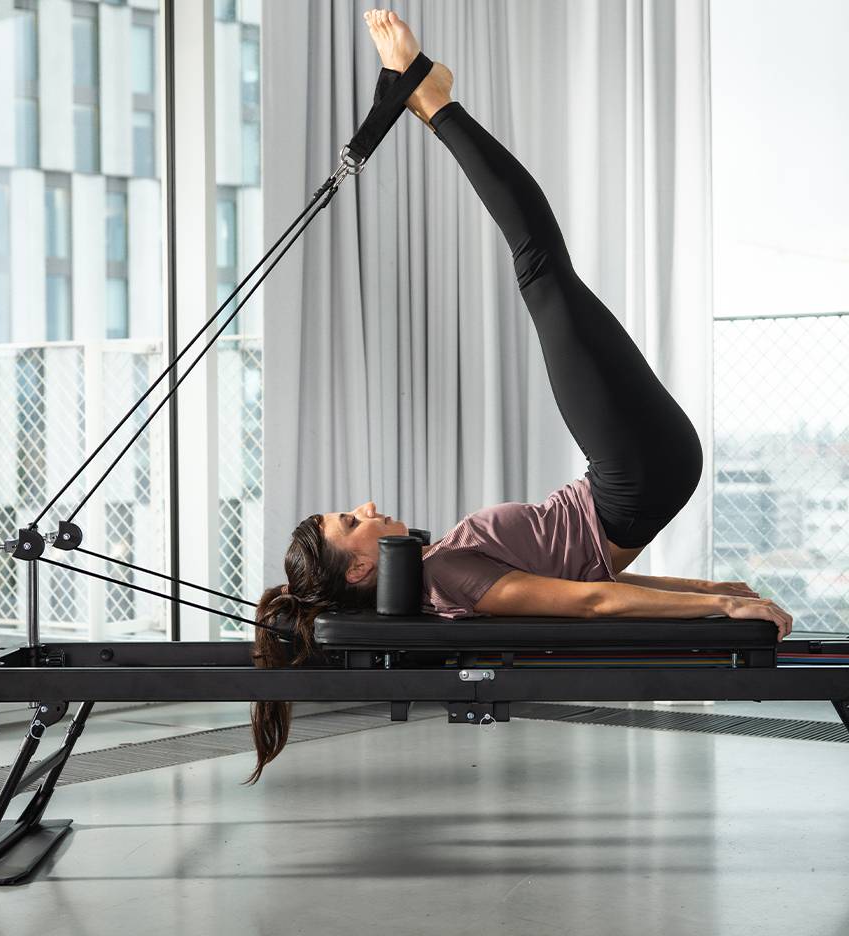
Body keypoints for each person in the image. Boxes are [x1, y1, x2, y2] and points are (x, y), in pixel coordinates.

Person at [243, 9, 793, 786]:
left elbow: (599, 586)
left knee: (544, 268)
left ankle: (430, 98)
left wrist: (715, 589)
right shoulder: (447, 581)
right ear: (361, 569)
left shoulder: (435, 568)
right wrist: (721, 614)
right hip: (632, 476)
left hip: (638, 476)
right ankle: (432, 101)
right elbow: (593, 609)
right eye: (351, 522)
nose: (365, 507)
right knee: (539, 265)